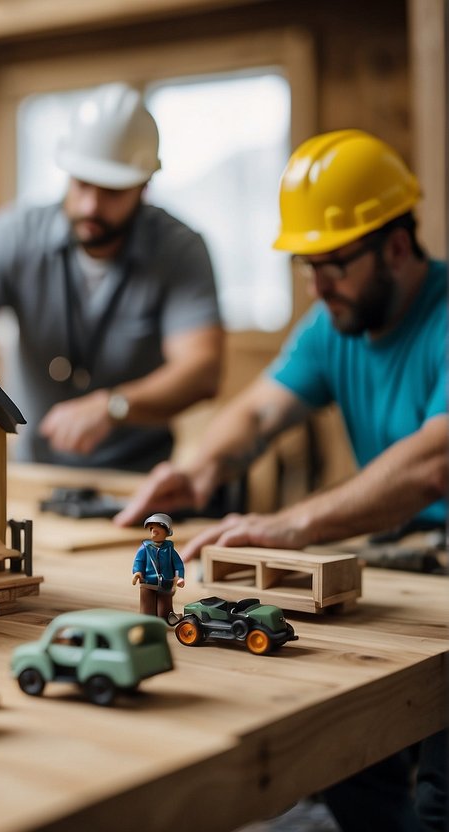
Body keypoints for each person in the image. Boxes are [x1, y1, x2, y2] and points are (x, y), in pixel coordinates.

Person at [115, 129, 446, 832]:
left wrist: (293, 524)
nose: (316, 285)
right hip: (403, 565)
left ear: (393, 245)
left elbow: (433, 460)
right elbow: (260, 410)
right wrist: (198, 468)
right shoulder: (333, 324)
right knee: (347, 757)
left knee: (437, 801)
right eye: (304, 266)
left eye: (330, 264)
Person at [0, 82, 223, 472]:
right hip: (33, 471)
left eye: (111, 191)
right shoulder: (9, 236)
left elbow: (202, 371)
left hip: (135, 479)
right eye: (82, 184)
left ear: (144, 187)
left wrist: (114, 407)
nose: (91, 205)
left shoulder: (180, 251)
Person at [130, 512, 185, 619]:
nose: (154, 531)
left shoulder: (169, 549)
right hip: (147, 582)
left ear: (167, 531)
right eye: (151, 528)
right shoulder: (145, 548)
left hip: (166, 582)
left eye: (158, 528)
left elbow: (178, 564)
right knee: (147, 609)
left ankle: (167, 618)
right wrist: (137, 572)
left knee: (164, 609)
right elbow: (139, 561)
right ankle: (147, 622)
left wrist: (180, 577)